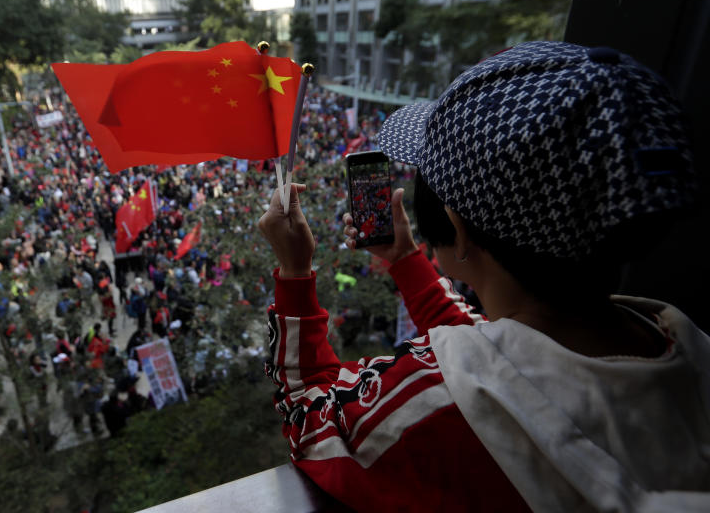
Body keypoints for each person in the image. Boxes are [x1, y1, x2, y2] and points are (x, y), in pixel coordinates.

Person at [257, 43, 710, 511]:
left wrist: (294, 272)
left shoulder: (439, 402)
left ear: (455, 227)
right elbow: (495, 350)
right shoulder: (682, 345)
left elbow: (311, 416)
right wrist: (406, 259)